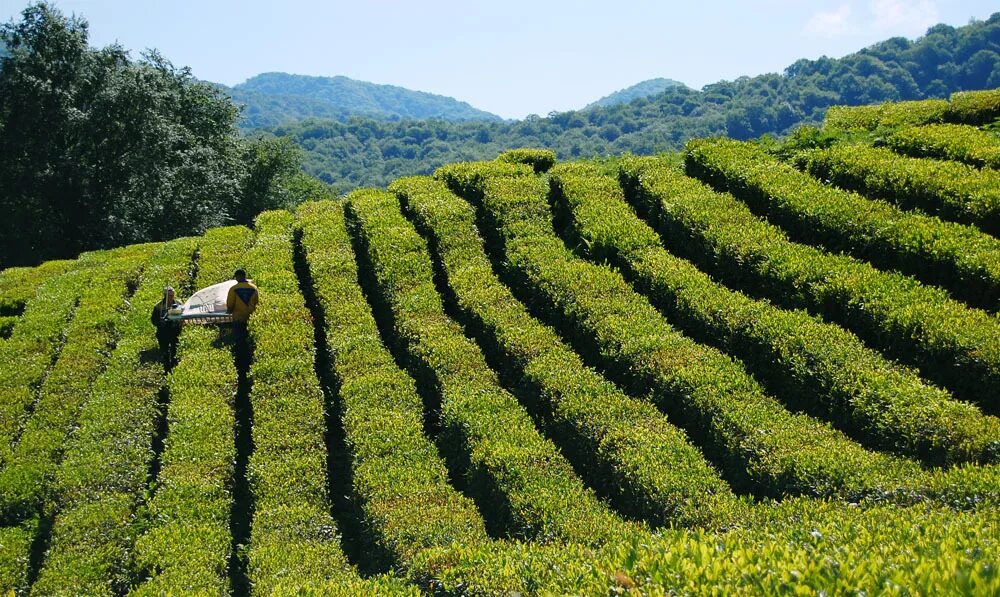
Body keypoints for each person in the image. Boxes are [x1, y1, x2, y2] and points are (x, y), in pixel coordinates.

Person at [226, 268, 259, 348]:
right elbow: (257, 302)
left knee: (239, 338)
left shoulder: (234, 289)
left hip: (238, 316)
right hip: (250, 316)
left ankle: (240, 352)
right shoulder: (254, 288)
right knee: (249, 336)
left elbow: (230, 303)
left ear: (237, 277)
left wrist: (229, 310)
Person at [151, 286, 181, 367]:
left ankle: (174, 366)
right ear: (165, 296)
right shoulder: (158, 306)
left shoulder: (178, 304)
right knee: (165, 352)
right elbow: (153, 320)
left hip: (175, 332)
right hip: (163, 332)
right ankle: (166, 367)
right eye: (169, 296)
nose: (171, 298)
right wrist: (160, 322)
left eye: (172, 295)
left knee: (175, 351)